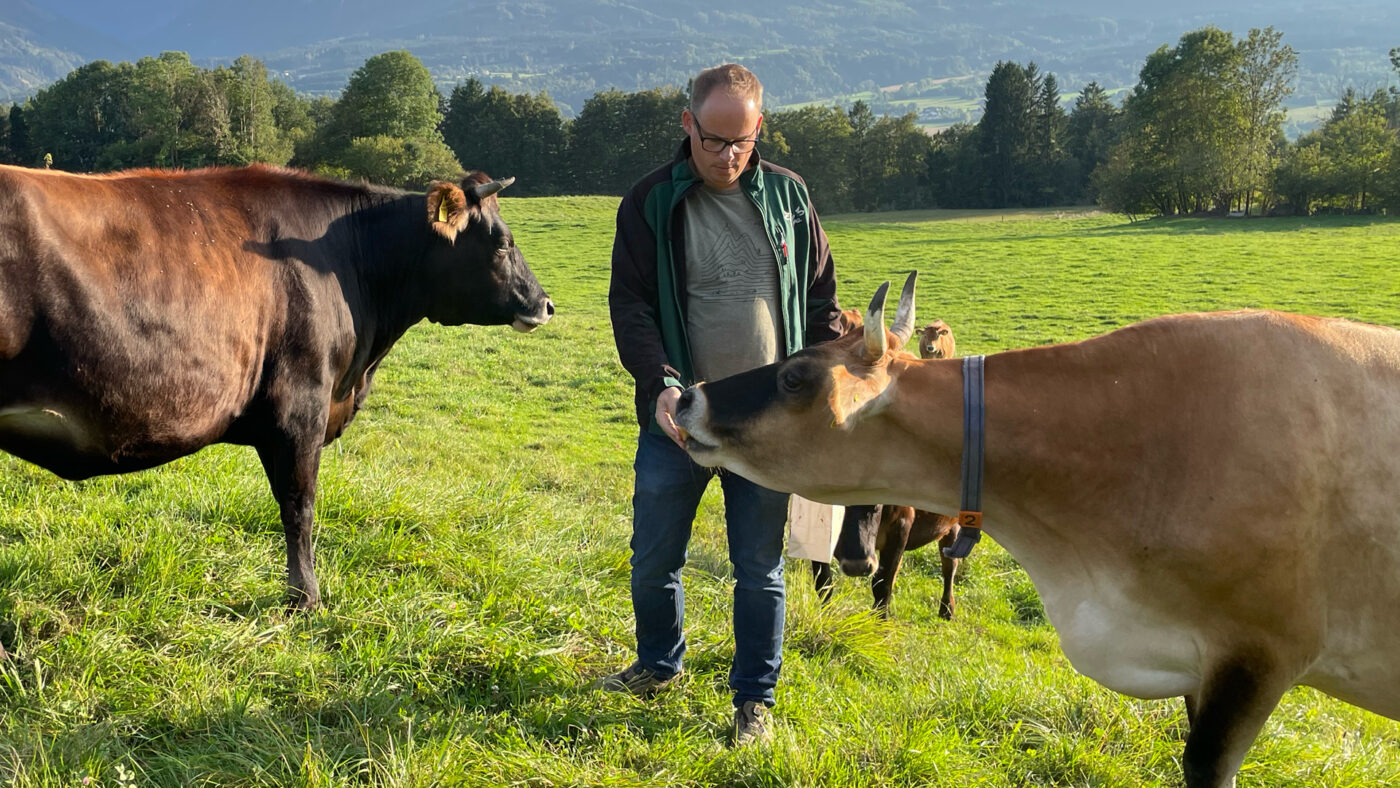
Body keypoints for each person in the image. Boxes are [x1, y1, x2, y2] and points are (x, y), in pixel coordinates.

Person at [600, 63, 841, 745]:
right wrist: (659, 384)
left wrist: (819, 385)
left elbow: (821, 302)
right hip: (682, 420)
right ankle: (657, 665)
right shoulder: (650, 201)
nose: (729, 157)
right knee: (652, 559)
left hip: (767, 423)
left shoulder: (791, 198)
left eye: (742, 142)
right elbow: (633, 305)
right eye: (714, 141)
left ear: (759, 128)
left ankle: (753, 704)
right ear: (687, 125)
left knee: (760, 570)